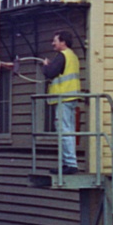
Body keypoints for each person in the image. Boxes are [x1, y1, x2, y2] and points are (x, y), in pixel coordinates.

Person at [43, 30, 81, 173]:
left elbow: (50, 73)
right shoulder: (73, 56)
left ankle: (70, 163)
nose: (53, 43)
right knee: (68, 130)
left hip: (63, 97)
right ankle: (68, 163)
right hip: (71, 97)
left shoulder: (62, 56)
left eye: (55, 41)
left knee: (64, 130)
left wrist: (46, 65)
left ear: (63, 42)